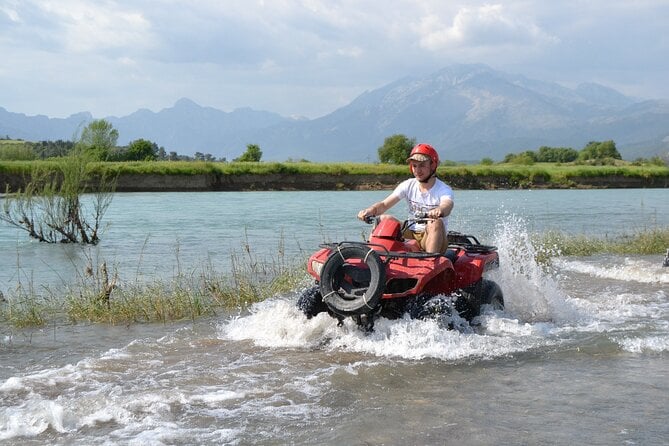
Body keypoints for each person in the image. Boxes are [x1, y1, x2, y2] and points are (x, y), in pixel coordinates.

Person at [357, 143, 454, 253]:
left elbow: (448, 205)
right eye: (414, 166)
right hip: (411, 233)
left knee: (435, 222)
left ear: (432, 166)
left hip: (435, 236)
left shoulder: (443, 189)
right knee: (384, 218)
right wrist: (370, 211)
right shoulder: (408, 185)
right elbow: (384, 205)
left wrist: (440, 210)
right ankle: (371, 256)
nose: (417, 170)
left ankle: (430, 261)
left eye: (422, 165)